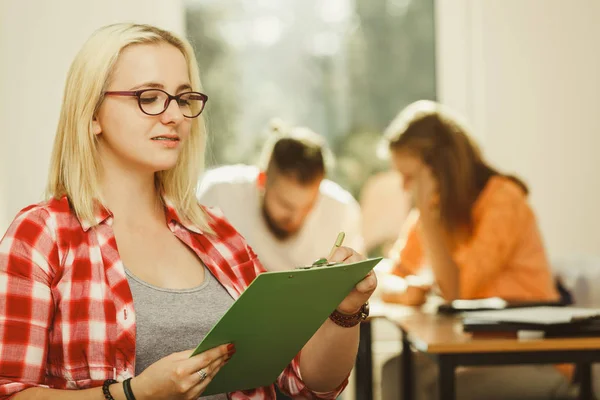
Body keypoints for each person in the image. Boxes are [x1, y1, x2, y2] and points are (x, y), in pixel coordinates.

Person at [0, 23, 377, 400]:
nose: (175, 116)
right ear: (93, 114)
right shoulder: (41, 236)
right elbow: (9, 392)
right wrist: (134, 394)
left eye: (182, 99)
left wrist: (344, 312)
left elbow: (303, 380)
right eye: (149, 96)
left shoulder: (215, 232)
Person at [379, 100, 575, 399]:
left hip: (529, 354)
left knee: (433, 385)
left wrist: (428, 221)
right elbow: (389, 276)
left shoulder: (503, 202)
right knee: (396, 370)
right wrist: (405, 288)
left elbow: (457, 291)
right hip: (472, 350)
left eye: (410, 176)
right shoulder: (435, 210)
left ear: (437, 170)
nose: (406, 187)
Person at [197, 123, 364, 272]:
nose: (296, 218)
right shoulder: (219, 195)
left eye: (308, 207)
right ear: (262, 180)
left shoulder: (342, 211)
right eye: (286, 205)